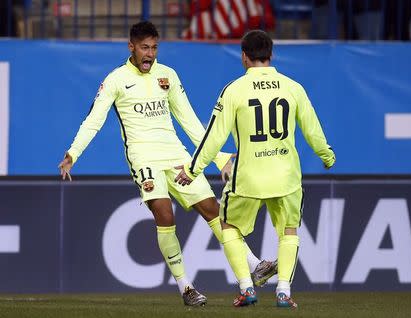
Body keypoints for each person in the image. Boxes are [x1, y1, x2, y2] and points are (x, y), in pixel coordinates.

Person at [58, 21, 277, 307]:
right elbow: (94, 120)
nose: (150, 54)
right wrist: (73, 153)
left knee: (212, 208)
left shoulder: (168, 76)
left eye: (154, 47)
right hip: (143, 158)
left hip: (176, 155)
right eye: (145, 48)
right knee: (164, 213)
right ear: (131, 48)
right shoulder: (115, 80)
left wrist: (220, 157)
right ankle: (186, 286)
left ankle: (254, 263)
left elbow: (189, 120)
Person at [175, 30, 336, 308]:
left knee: (228, 226)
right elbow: (313, 129)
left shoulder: (234, 90)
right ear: (271, 56)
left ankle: (247, 288)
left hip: (248, 176)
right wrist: (326, 155)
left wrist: (192, 170)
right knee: (289, 231)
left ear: (244, 57)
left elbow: (214, 137)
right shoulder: (292, 87)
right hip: (286, 177)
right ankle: (283, 291)